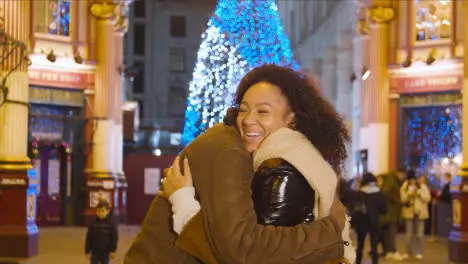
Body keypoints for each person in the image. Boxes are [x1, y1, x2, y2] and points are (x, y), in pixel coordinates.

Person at [124, 65, 350, 264]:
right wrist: (330, 232)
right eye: (243, 109)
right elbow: (243, 251)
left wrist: (184, 204)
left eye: (263, 111)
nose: (248, 119)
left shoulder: (268, 157)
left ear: (291, 118)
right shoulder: (229, 150)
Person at [352, 172, 386, 264]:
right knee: (374, 246)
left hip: (362, 221)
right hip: (374, 221)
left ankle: (358, 262)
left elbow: (355, 207)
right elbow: (383, 209)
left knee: (360, 245)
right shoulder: (378, 192)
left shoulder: (360, 192)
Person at [400, 170, 431, 260]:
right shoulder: (404, 187)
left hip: (420, 213)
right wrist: (409, 194)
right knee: (408, 234)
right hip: (409, 212)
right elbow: (402, 199)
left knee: (420, 234)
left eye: (414, 179)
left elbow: (427, 198)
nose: (412, 181)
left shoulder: (422, 186)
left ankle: (418, 252)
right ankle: (408, 252)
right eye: (410, 180)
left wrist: (419, 193)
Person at [380, 169, 405, 260]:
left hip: (388, 211)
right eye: (402, 175)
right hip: (391, 211)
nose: (403, 177)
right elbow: (386, 192)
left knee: (388, 232)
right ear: (399, 173)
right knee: (391, 232)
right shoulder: (392, 180)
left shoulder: (390, 180)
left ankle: (388, 251)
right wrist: (396, 201)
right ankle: (392, 251)